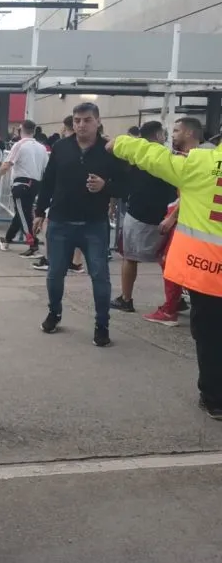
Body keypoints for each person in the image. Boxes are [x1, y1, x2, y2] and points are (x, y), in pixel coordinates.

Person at [107, 126, 222, 416]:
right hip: (207, 273)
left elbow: (155, 157)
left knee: (209, 336)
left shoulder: (200, 163)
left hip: (207, 273)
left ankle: (214, 399)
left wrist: (120, 143)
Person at [34, 102, 129, 346]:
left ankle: (102, 324)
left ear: (97, 121)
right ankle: (54, 313)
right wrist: (39, 212)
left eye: (86, 120)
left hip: (94, 225)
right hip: (60, 223)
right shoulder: (61, 147)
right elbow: (48, 181)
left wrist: (105, 186)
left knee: (100, 276)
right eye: (77, 120)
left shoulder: (109, 151)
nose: (81, 125)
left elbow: (127, 186)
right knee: (55, 274)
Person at [143, 116, 203, 326]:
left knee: (171, 262)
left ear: (188, 133)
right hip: (190, 221)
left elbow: (194, 194)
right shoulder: (189, 157)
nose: (172, 135)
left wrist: (172, 217)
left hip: (191, 223)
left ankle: (171, 310)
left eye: (176, 131)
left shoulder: (197, 160)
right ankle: (177, 302)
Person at [111, 121, 176, 313]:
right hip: (166, 216)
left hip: (139, 214)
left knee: (129, 258)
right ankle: (174, 299)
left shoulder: (136, 155)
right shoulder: (170, 157)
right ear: (158, 136)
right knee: (168, 262)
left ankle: (126, 298)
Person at [32, 115, 85, 272]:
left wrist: (40, 209)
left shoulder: (61, 147)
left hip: (61, 199)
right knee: (79, 231)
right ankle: (75, 262)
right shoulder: (87, 146)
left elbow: (50, 178)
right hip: (80, 201)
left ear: (65, 127)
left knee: (53, 229)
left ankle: (52, 259)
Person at [0, 119, 49, 256]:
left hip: (21, 183)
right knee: (21, 213)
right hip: (36, 183)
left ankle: (32, 243)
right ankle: (7, 239)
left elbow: (7, 164)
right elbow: (46, 169)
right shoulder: (42, 148)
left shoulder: (19, 145)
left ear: (21, 130)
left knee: (24, 215)